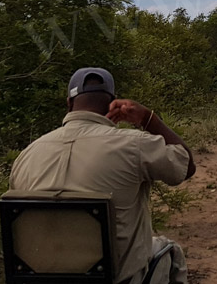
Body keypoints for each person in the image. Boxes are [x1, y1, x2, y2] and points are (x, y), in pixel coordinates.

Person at [10, 67, 196, 284]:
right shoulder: (133, 145)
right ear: (113, 103)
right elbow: (186, 165)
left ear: (69, 104)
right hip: (117, 279)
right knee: (170, 251)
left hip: (42, 277)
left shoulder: (27, 155)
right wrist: (147, 118)